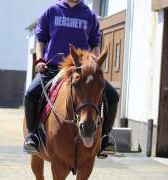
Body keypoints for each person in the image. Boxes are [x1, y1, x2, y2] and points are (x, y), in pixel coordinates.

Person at [23, 0, 119, 158]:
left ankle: (105, 139)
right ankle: (32, 135)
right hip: (53, 67)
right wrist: (39, 60)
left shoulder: (89, 15)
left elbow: (95, 43)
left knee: (112, 96)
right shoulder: (51, 11)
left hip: (81, 70)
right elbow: (41, 39)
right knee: (31, 94)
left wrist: (93, 64)